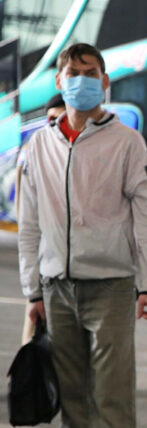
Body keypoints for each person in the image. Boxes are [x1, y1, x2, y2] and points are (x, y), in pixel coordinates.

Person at [17, 43, 147, 428]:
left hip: (111, 288)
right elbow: (29, 226)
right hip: (56, 289)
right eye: (73, 72)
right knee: (73, 401)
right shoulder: (38, 147)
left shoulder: (127, 143)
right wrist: (33, 293)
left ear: (104, 81)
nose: (81, 80)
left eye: (90, 72)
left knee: (112, 401)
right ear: (58, 81)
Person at [19, 94, 67, 345]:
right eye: (50, 118)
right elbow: (27, 223)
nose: (55, 123)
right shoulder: (34, 153)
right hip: (43, 263)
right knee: (34, 339)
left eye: (60, 118)